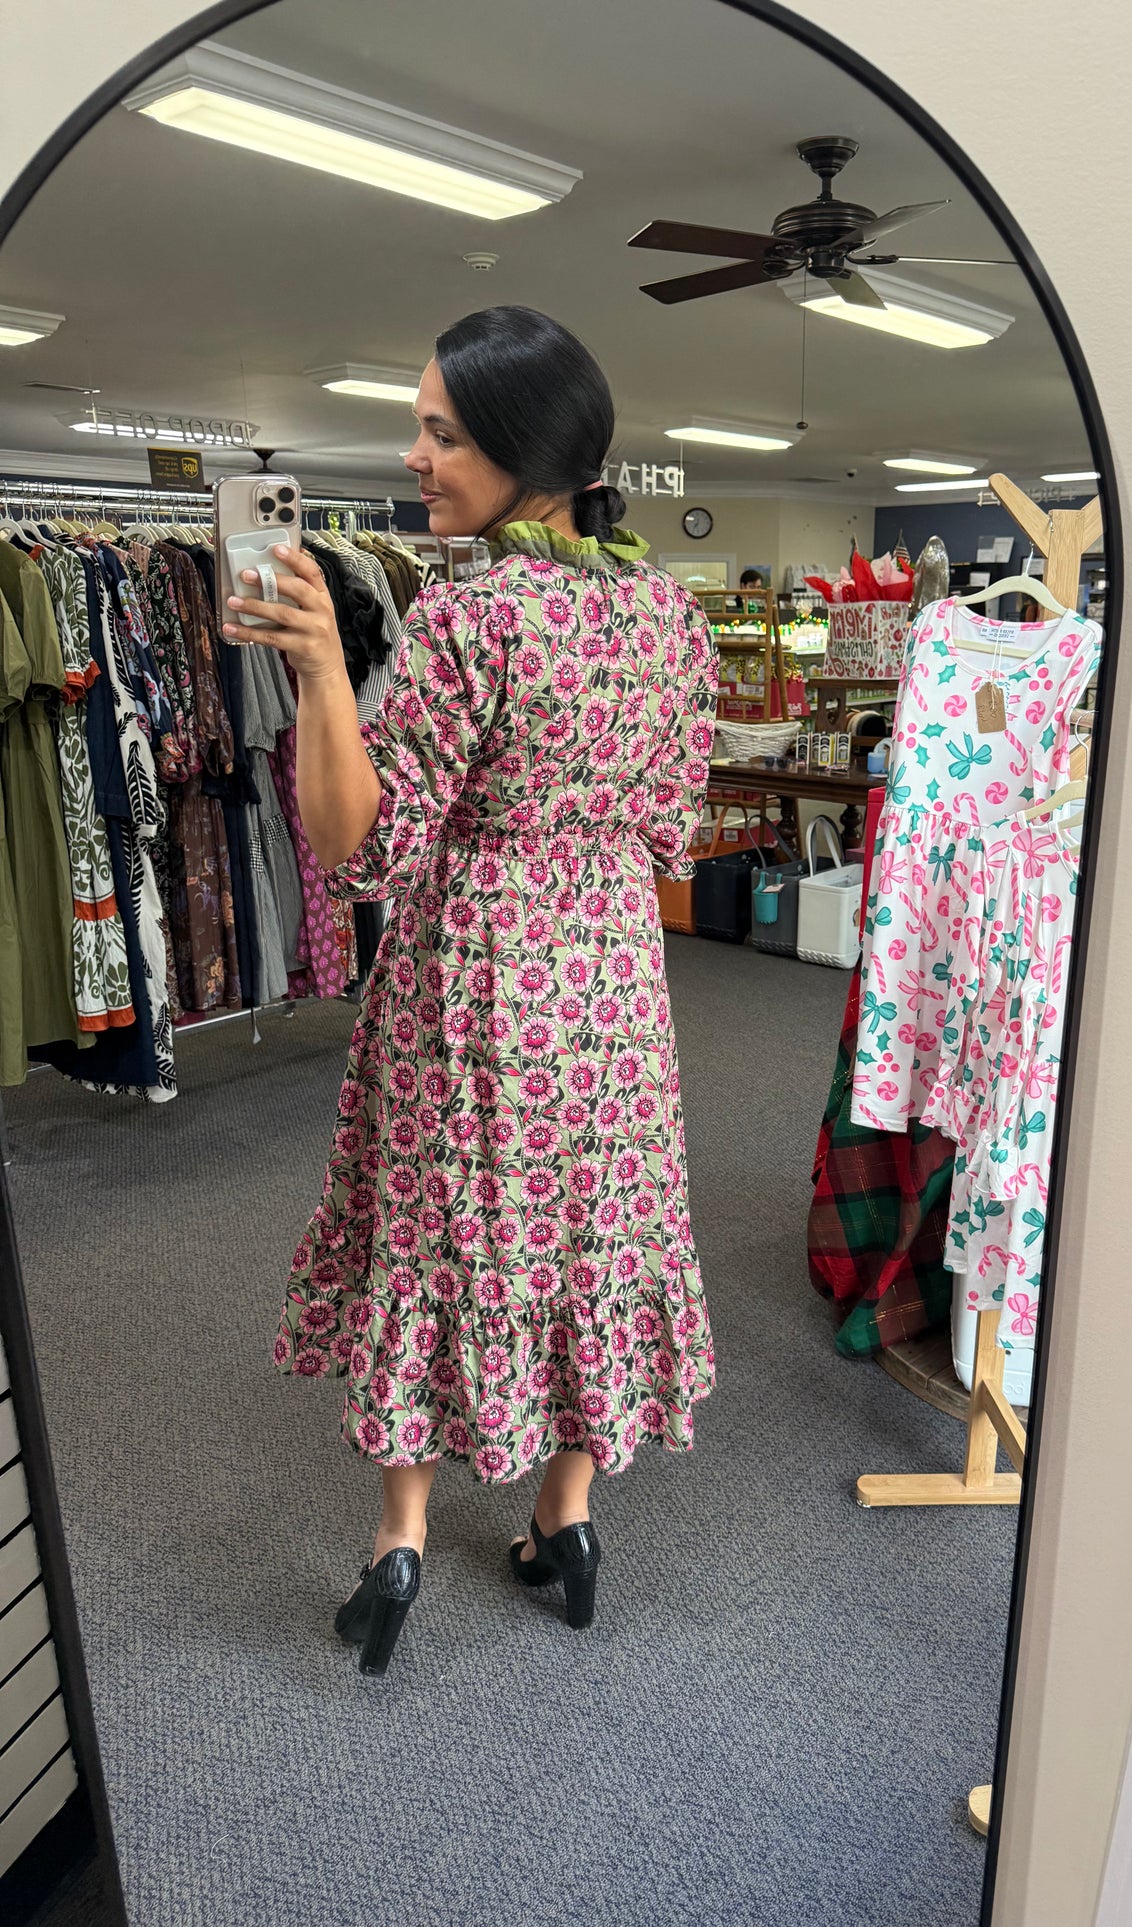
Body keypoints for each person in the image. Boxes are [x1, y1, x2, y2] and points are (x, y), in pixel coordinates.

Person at [225, 306, 719, 1674]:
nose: (417, 454)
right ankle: (563, 1523)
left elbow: (365, 849)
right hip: (614, 988)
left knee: (448, 1241)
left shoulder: (471, 616)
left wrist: (322, 667)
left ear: (517, 448)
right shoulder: (668, 614)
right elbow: (675, 824)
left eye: (441, 430)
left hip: (481, 990)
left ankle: (397, 1544)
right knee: (590, 1235)